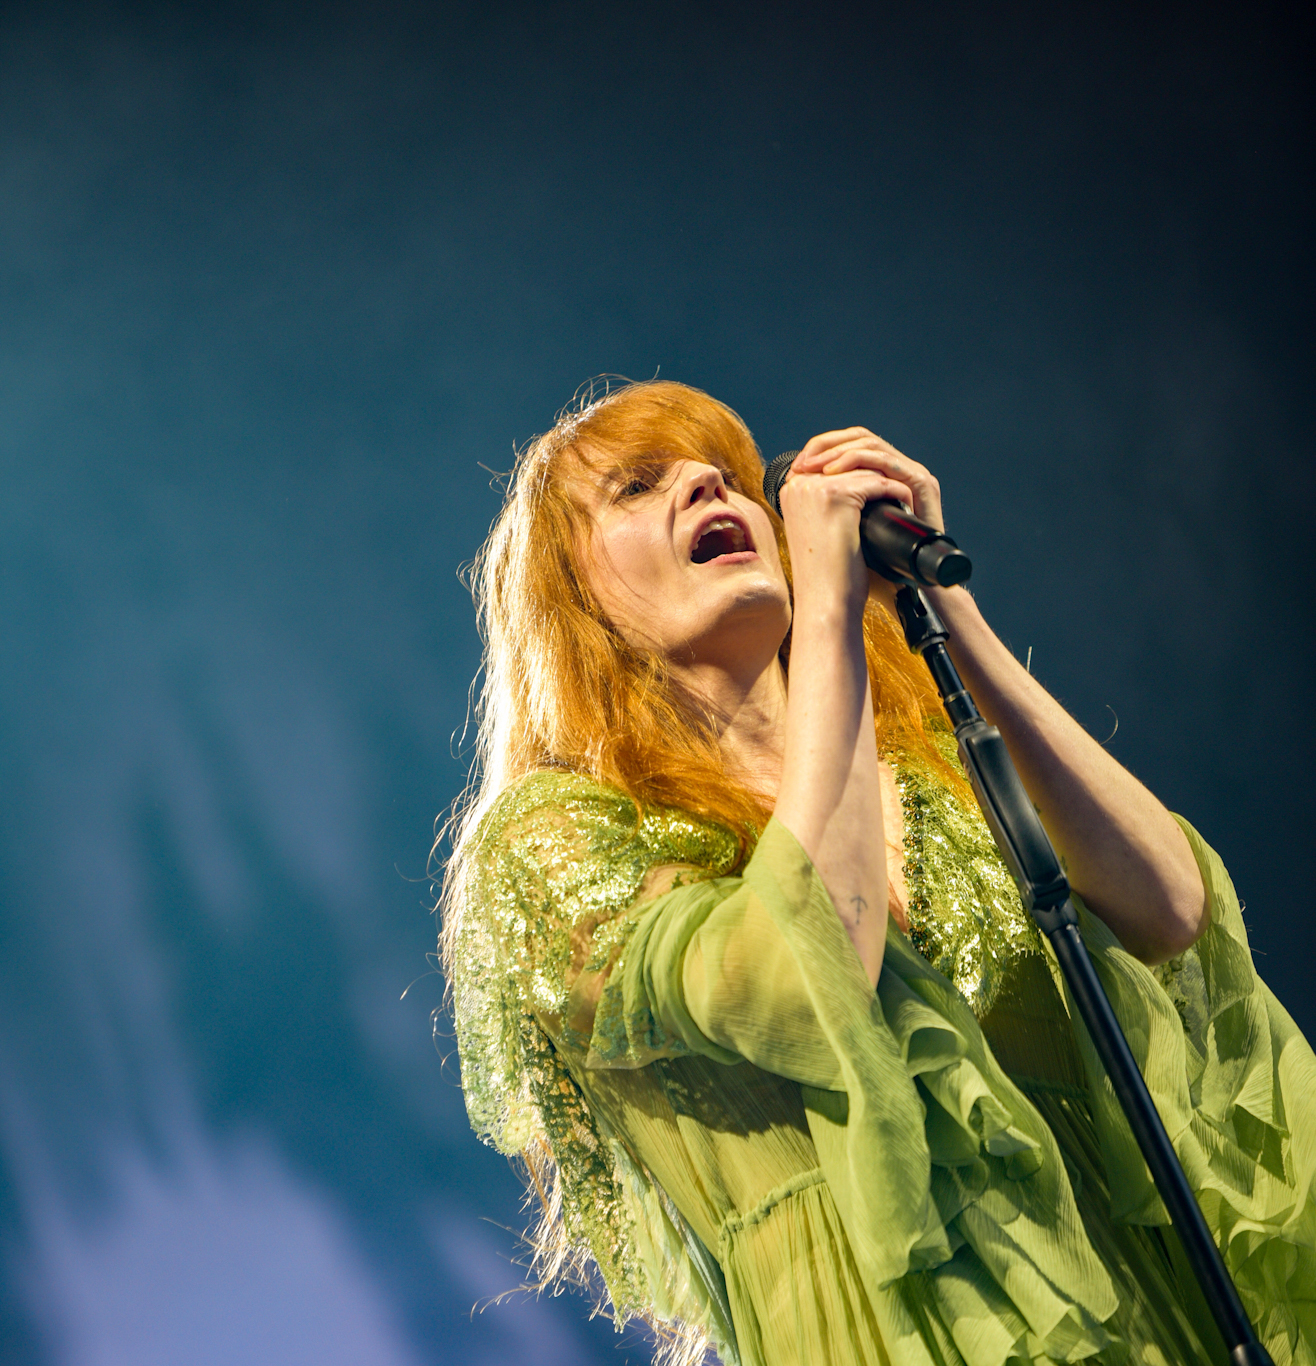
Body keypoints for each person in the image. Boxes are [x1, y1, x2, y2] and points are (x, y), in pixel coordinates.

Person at [439, 379, 1315, 1366]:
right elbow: (804, 977)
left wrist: (944, 610)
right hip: (877, 1321)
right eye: (640, 485)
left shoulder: (924, 766)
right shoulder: (559, 833)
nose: (701, 483)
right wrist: (825, 616)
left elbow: (1169, 906)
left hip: (1126, 1299)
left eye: (728, 473)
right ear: (573, 598)